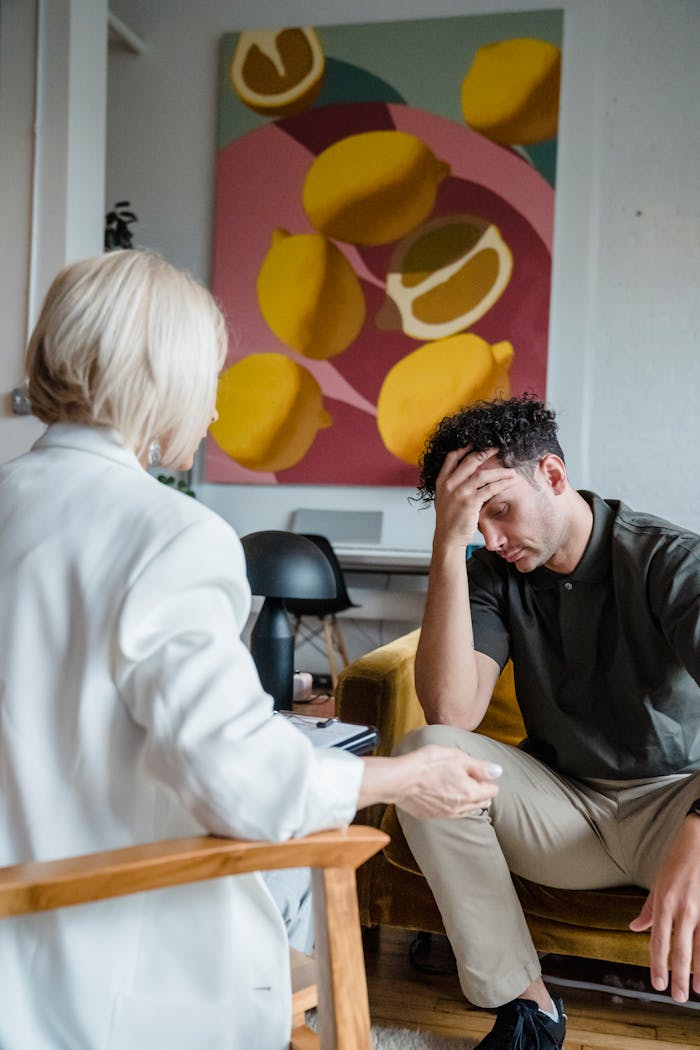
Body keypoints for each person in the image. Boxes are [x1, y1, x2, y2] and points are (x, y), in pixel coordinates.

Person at [0, 251, 503, 1050]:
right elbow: (243, 787)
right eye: (209, 382)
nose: (211, 414)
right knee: (306, 858)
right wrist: (406, 779)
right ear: (159, 380)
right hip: (85, 963)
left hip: (22, 913)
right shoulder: (167, 534)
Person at [395, 394, 700, 1050]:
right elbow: (452, 713)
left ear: (554, 477)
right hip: (566, 814)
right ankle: (528, 1009)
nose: (492, 538)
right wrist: (449, 548)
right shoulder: (488, 570)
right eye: (474, 522)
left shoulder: (670, 560)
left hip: (675, 807)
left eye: (499, 510)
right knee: (427, 754)